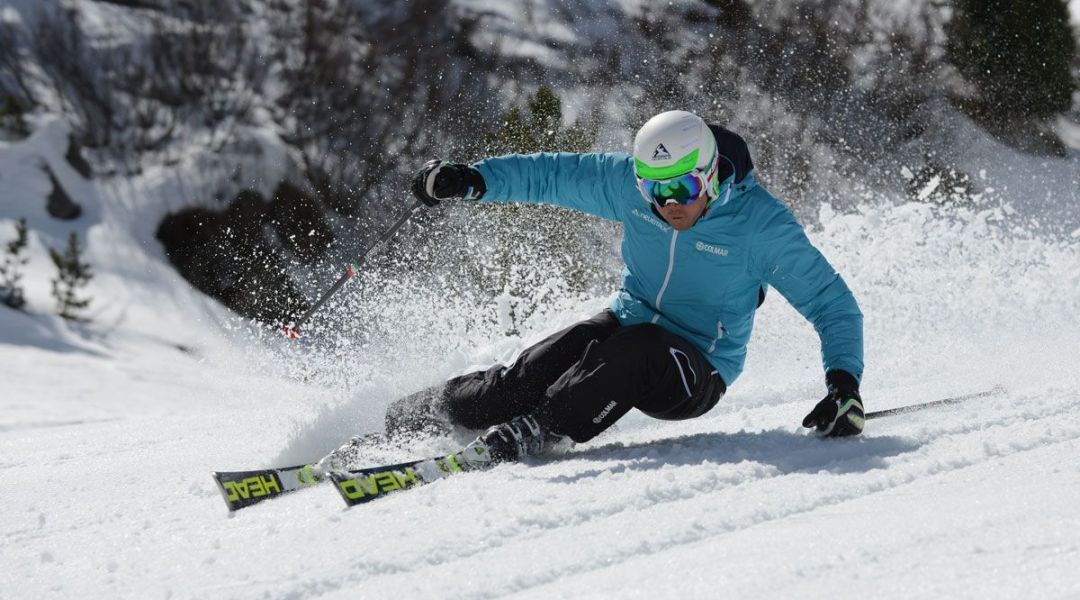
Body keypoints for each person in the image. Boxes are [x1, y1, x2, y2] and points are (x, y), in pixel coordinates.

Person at [328, 110, 865, 471]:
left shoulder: (759, 226)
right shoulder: (632, 189)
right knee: (530, 373)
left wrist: (844, 384)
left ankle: (538, 431)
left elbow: (830, 303)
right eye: (655, 190)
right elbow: (553, 175)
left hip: (697, 368)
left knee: (639, 350)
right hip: (630, 319)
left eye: (682, 187)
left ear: (711, 176)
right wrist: (473, 179)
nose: (669, 203)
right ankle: (408, 419)